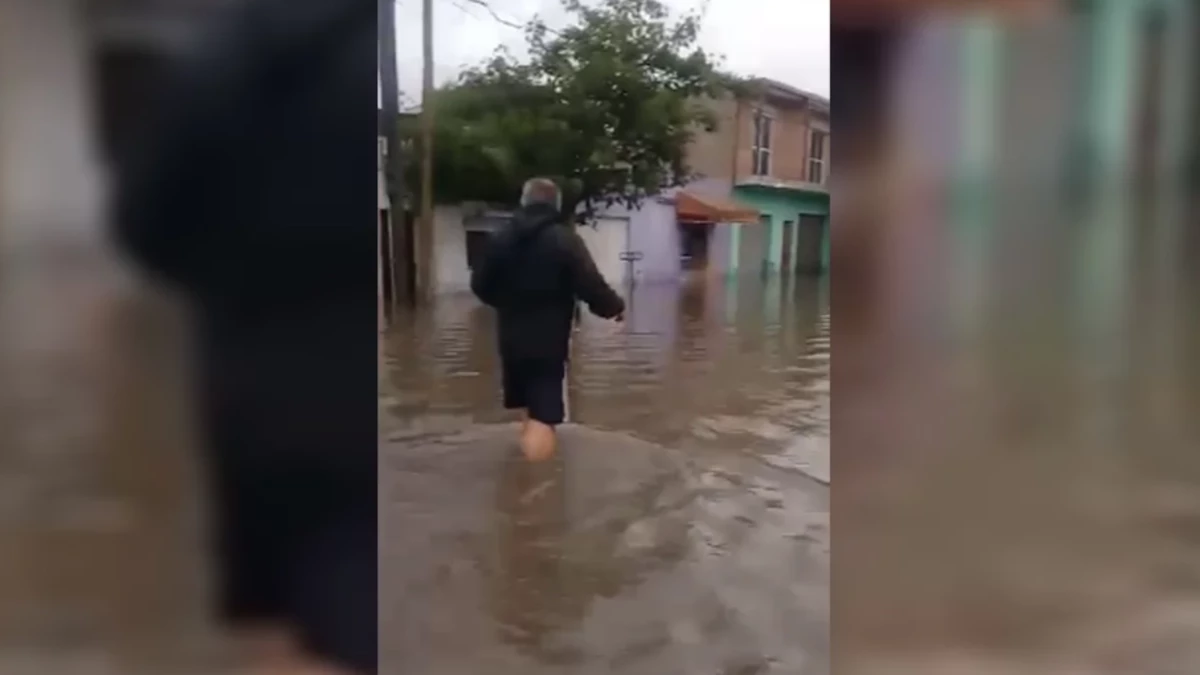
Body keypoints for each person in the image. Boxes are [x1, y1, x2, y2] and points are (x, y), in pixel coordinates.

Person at [110, 0, 377, 673]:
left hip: (264, 392)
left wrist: (240, 282)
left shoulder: (230, 53)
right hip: (368, 395)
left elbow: (144, 226)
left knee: (281, 624)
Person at [470, 178, 625, 461]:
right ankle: (534, 484)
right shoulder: (564, 240)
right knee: (544, 416)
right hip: (548, 343)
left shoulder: (500, 238)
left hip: (510, 340)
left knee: (527, 408)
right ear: (555, 205)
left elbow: (480, 286)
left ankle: (521, 472)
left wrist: (506, 304)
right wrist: (614, 308)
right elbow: (591, 286)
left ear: (524, 201)